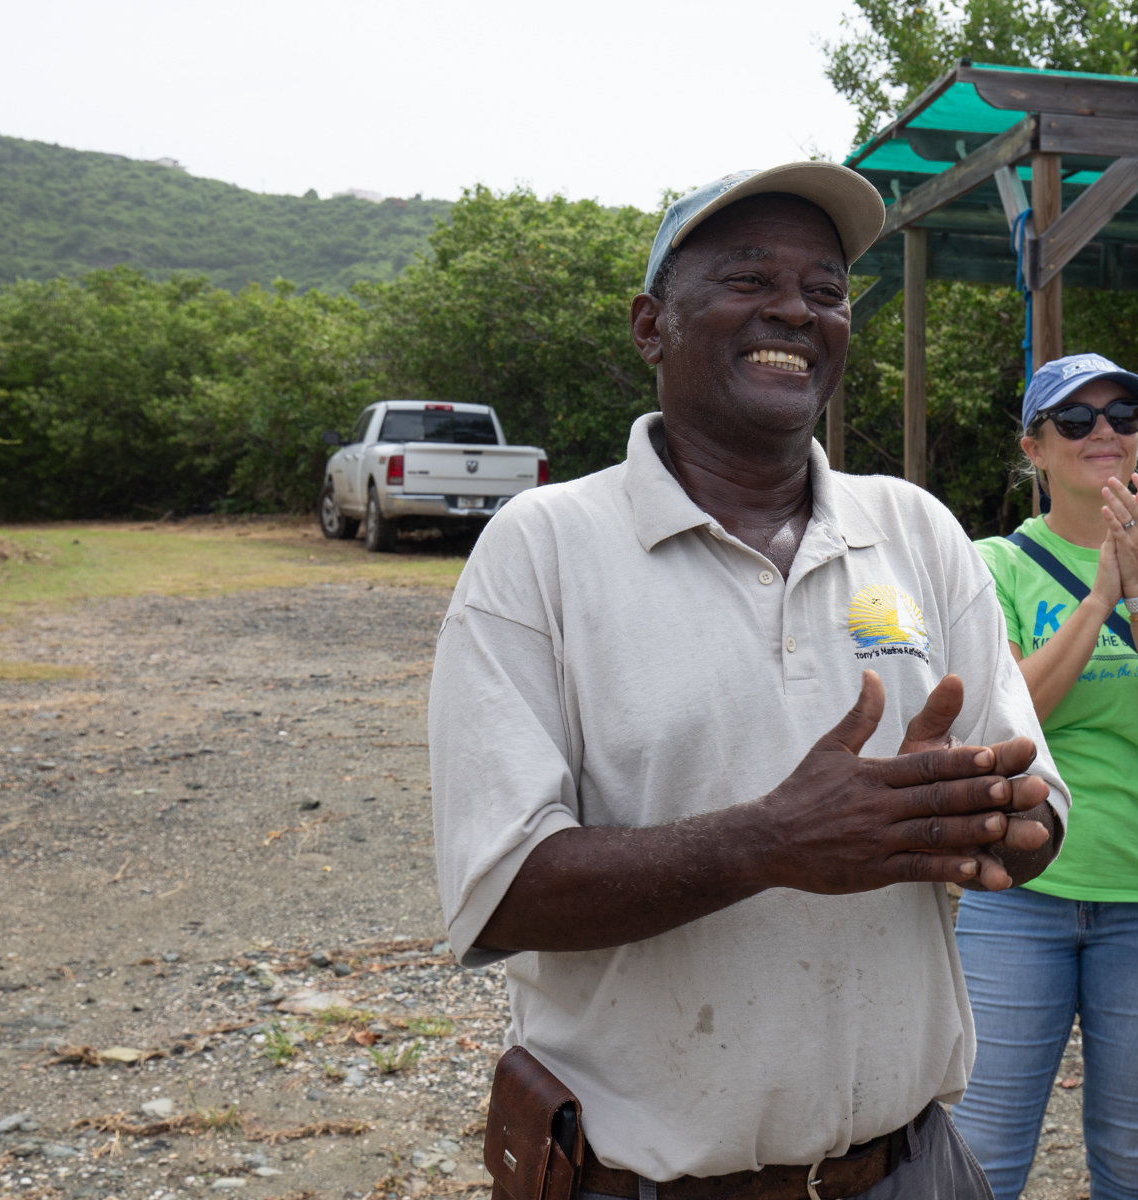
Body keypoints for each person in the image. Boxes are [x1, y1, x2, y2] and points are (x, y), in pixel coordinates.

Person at [428, 162, 1072, 1198]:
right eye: (746, 279)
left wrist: (985, 820)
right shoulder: (544, 551)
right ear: (651, 327)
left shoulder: (912, 530)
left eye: (825, 291)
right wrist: (772, 841)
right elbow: (498, 894)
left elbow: (1039, 817)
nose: (794, 310)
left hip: (909, 1169)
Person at [953, 353, 1138, 1200]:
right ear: (1034, 449)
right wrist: (1097, 597)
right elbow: (1010, 717)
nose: (1104, 432)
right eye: (1075, 421)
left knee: (1130, 1162)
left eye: (1124, 414)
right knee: (986, 1160)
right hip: (1017, 888)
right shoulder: (988, 566)